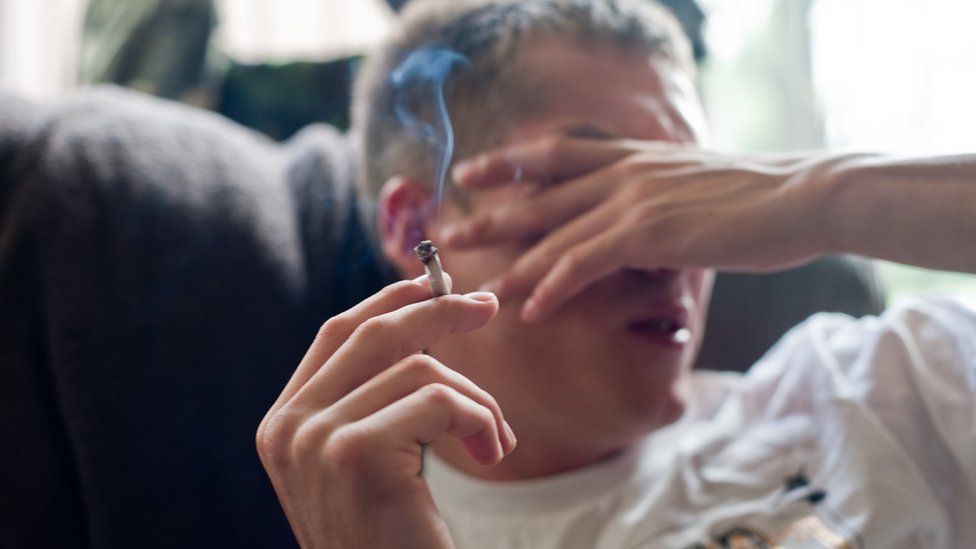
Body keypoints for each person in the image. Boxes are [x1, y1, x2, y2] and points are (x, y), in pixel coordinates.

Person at [255, 0, 976, 547]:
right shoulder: (373, 523)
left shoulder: (879, 391)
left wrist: (824, 197)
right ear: (418, 228)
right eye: (595, 186)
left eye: (686, 189)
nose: (667, 250)